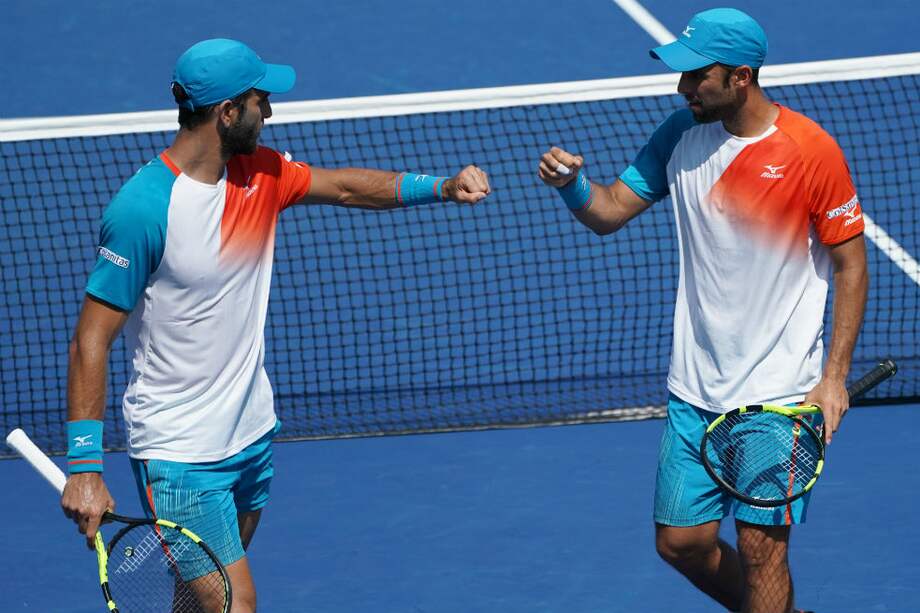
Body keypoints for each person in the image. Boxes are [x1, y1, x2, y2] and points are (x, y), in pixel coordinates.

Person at [60, 38, 491, 613]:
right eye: (262, 99)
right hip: (181, 452)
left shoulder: (261, 172)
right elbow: (92, 337)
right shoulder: (143, 210)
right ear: (228, 112)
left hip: (251, 432)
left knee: (196, 603)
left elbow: (342, 186)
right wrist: (85, 466)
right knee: (237, 604)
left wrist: (439, 187)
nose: (272, 111)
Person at [538, 8, 867, 613]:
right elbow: (609, 210)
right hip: (695, 388)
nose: (683, 87)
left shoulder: (810, 151)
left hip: (780, 395)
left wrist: (835, 380)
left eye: (696, 76)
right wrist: (572, 188)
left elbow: (851, 264)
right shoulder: (679, 135)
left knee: (763, 551)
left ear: (741, 77)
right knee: (681, 543)